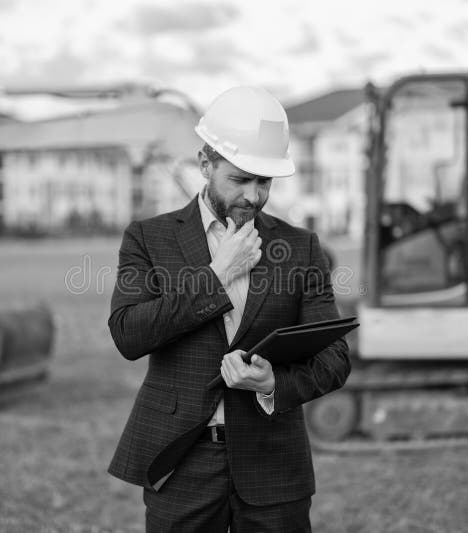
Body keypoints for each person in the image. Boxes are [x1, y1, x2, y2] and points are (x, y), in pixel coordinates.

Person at [107, 86, 351, 532]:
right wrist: (215, 276)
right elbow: (128, 334)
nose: (254, 197)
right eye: (240, 179)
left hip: (274, 464)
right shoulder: (147, 239)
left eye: (265, 182)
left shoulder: (302, 247)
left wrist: (275, 382)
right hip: (182, 464)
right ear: (205, 165)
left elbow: (334, 357)